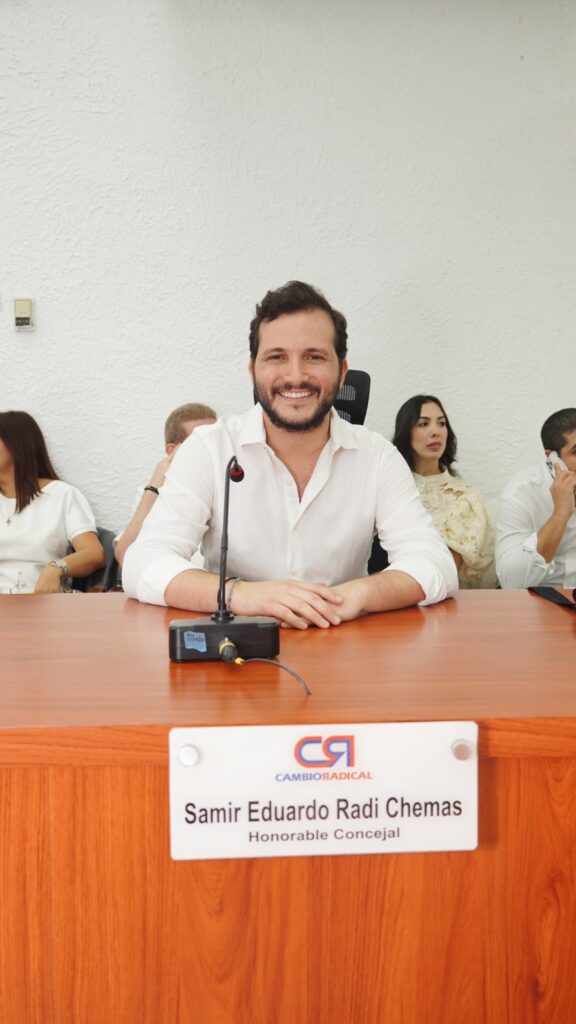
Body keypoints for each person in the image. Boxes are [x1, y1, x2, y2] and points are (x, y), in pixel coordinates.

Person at [122, 281, 457, 627]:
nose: (296, 376)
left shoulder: (377, 456)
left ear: (342, 371)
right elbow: (142, 562)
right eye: (277, 357)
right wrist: (244, 595)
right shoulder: (209, 448)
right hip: (237, 643)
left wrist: (355, 594)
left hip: (343, 638)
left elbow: (435, 563)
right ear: (253, 370)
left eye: (314, 357)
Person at [392, 395, 495, 588]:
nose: (436, 432)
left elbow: (443, 568)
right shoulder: (389, 488)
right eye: (423, 424)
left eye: (441, 423)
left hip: (440, 596)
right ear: (406, 432)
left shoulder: (466, 497)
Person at [0, 411, 105, 594]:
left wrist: (55, 568)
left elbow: (94, 553)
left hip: (44, 603)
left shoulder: (62, 495)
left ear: (18, 443)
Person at [115, 402, 217, 567]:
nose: (212, 449)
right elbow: (125, 557)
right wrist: (156, 482)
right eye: (200, 442)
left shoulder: (235, 483)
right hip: (177, 580)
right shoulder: (153, 493)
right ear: (172, 450)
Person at [496, 408, 576, 588]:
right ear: (553, 458)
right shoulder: (520, 492)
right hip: (540, 598)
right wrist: (560, 514)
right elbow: (512, 583)